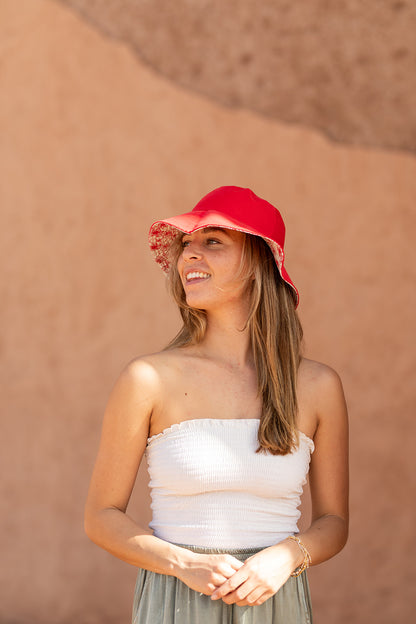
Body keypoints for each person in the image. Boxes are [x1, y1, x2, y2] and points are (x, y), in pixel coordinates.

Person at [84, 186, 349, 623]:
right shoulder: (147, 379)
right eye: (186, 244)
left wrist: (287, 555)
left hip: (277, 605)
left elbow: (334, 522)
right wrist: (184, 564)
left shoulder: (318, 386)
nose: (189, 254)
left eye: (213, 242)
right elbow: (100, 517)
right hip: (175, 603)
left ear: (259, 263)